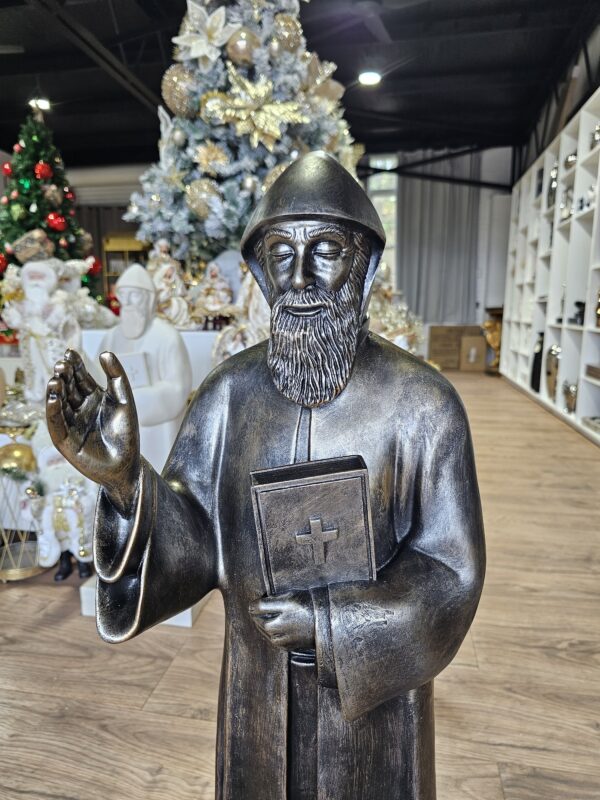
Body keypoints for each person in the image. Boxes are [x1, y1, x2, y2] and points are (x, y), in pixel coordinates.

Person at [46, 152, 485, 800]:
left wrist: (335, 626)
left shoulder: (423, 404)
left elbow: (452, 570)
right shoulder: (227, 396)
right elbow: (196, 540)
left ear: (362, 264)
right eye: (281, 252)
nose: (301, 274)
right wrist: (125, 484)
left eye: (326, 249)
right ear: (261, 271)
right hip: (258, 682)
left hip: (374, 714)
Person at [97, 263, 192, 472]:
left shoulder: (167, 337)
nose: (128, 301)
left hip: (158, 430)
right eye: (124, 294)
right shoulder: (111, 337)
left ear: (148, 299)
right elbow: (98, 377)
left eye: (135, 295)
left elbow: (178, 389)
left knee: (156, 476)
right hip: (119, 430)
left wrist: (133, 401)